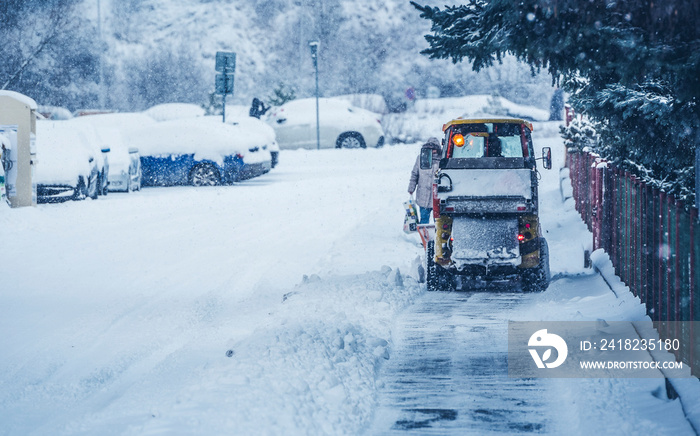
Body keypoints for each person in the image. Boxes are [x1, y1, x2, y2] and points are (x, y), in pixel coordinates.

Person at [408, 137, 441, 224]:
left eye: (434, 148)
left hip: (437, 197)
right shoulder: (421, 158)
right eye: (430, 148)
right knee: (424, 220)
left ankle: (436, 236)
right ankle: (424, 236)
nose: (433, 150)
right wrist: (411, 188)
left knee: (438, 222)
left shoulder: (442, 160)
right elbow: (415, 174)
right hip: (423, 195)